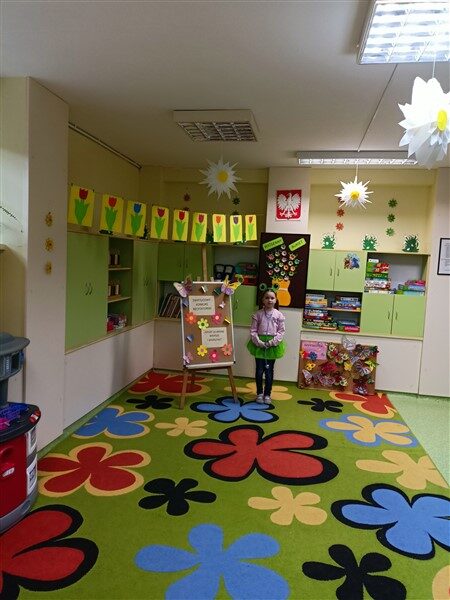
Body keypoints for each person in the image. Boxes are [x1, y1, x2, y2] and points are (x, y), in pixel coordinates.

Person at [246, 289, 286, 404]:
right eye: (267, 297)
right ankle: (259, 393)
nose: (269, 300)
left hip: (272, 346)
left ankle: (267, 394)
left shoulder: (279, 315)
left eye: (272, 298)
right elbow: (253, 331)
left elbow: (281, 332)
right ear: (263, 300)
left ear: (276, 300)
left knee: (269, 371)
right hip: (259, 345)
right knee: (259, 371)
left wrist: (271, 342)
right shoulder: (258, 314)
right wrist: (259, 342)